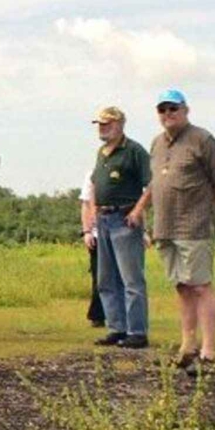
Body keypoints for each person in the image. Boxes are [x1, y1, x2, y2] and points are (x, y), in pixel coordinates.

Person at [132, 89, 215, 374]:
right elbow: (154, 183)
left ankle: (208, 354)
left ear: (185, 110)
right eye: (162, 109)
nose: (168, 114)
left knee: (201, 286)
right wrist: (140, 209)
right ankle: (187, 348)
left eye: (173, 108)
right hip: (165, 226)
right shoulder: (157, 143)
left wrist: (207, 210)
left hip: (194, 227)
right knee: (182, 286)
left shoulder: (202, 139)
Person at [86, 106, 151, 349]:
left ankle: (137, 331)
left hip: (124, 218)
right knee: (106, 278)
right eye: (100, 124)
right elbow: (95, 182)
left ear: (120, 124)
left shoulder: (134, 150)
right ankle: (116, 327)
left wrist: (137, 211)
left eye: (107, 124)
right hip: (103, 219)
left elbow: (151, 184)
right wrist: (94, 210)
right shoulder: (101, 152)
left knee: (131, 279)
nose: (102, 128)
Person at [78, 174, 105, 327]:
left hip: (119, 231)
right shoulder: (92, 174)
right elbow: (86, 204)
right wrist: (87, 231)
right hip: (96, 234)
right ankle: (97, 314)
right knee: (99, 275)